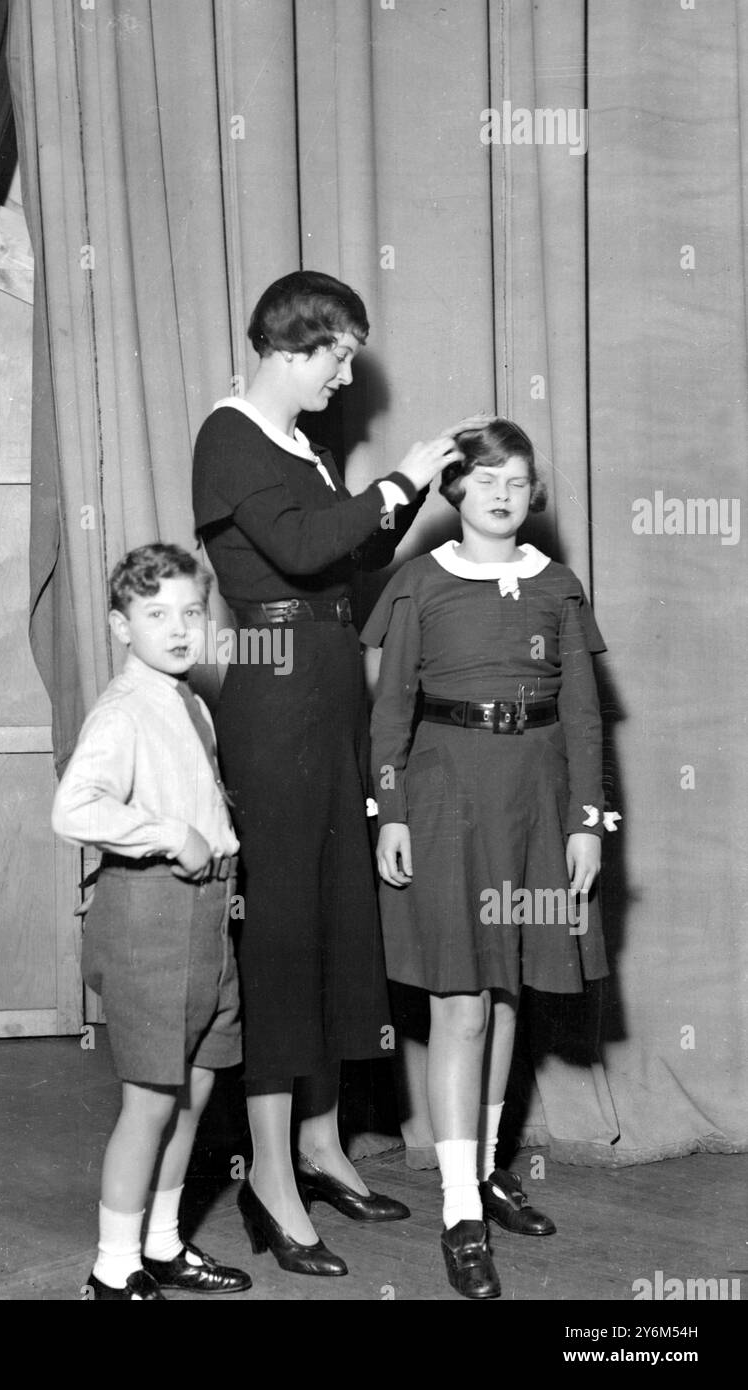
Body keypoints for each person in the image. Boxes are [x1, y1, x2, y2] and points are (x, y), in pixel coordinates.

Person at [191, 269, 463, 1276]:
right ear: (289, 346)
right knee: (282, 935)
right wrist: (397, 479)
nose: (346, 375)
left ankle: (317, 1144)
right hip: (270, 695)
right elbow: (305, 547)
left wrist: (414, 492)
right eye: (337, 354)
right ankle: (266, 1179)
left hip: (321, 686)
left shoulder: (293, 443)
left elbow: (340, 567)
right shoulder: (229, 433)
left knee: (330, 917)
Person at [363, 418, 609, 1299]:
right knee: (461, 1003)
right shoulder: (419, 584)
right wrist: (388, 811)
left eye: (518, 482)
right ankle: (458, 1207)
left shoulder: (558, 587)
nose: (503, 496)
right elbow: (389, 715)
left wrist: (588, 822)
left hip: (537, 809)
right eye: (486, 481)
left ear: (530, 493)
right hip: (445, 808)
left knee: (508, 997)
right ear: (456, 492)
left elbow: (583, 717)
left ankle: (490, 1172)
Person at [51, 542, 251, 1300]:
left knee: (195, 1091)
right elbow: (73, 807)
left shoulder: (187, 698)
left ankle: (163, 1244)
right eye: (154, 613)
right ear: (119, 624)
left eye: (191, 612)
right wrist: (170, 832)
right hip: (151, 916)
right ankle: (112, 1267)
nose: (177, 628)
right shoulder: (125, 708)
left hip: (208, 919)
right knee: (149, 1102)